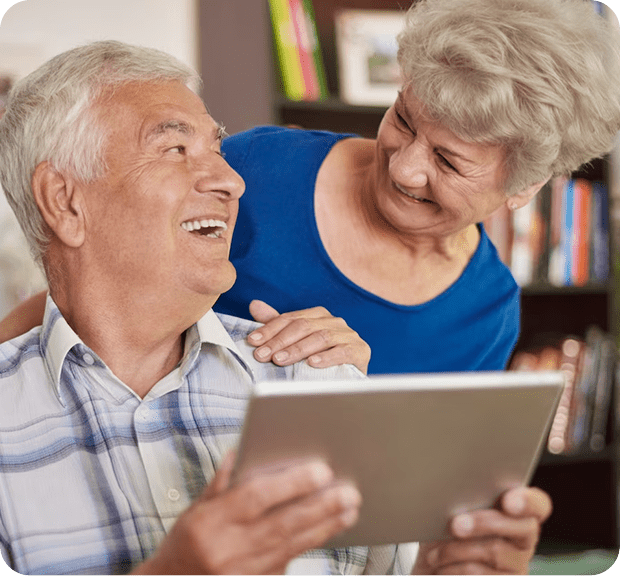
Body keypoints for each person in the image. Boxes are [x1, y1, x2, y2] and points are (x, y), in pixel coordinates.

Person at [0, 40, 551, 575]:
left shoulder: (327, 387)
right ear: (66, 200)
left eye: (216, 149)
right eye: (175, 149)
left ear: (519, 188)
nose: (233, 178)